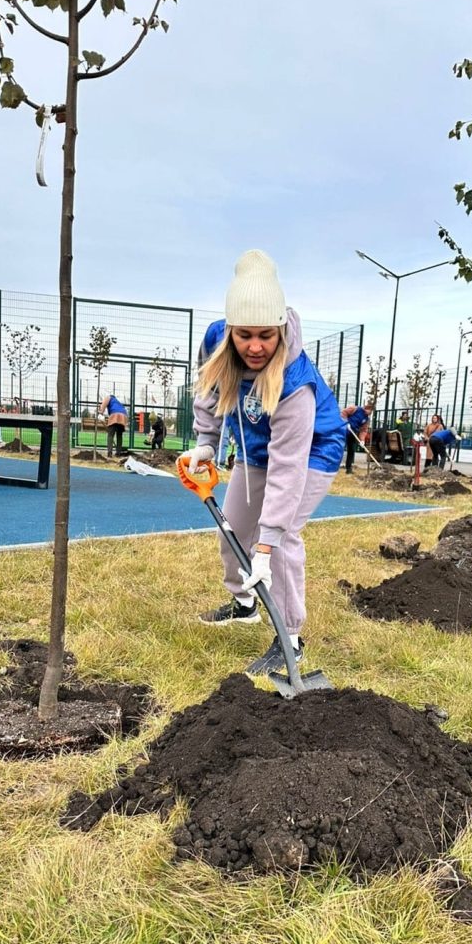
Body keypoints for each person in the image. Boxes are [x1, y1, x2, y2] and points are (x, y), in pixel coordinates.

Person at [182, 249, 346, 675]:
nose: (255, 346)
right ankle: (244, 604)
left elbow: (288, 469)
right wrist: (205, 443)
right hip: (255, 449)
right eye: (245, 335)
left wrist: (267, 543)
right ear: (232, 330)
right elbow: (210, 390)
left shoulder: (296, 385)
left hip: (311, 452)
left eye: (266, 336)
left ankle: (290, 637)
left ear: (280, 331)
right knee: (232, 529)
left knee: (283, 536)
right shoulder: (217, 339)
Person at [341, 399, 374, 473]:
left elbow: (364, 430)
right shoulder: (355, 409)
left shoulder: (366, 419)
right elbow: (344, 412)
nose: (370, 413)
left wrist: (362, 440)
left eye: (371, 411)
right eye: (370, 410)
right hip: (344, 430)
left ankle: (348, 469)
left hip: (353, 433)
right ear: (367, 408)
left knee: (351, 450)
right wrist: (346, 422)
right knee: (340, 447)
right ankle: (333, 465)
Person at [98, 393, 128, 457]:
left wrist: (101, 413)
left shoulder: (108, 397)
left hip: (115, 414)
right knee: (119, 435)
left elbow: (103, 405)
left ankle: (109, 453)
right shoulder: (117, 402)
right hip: (123, 416)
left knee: (110, 435)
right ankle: (118, 453)